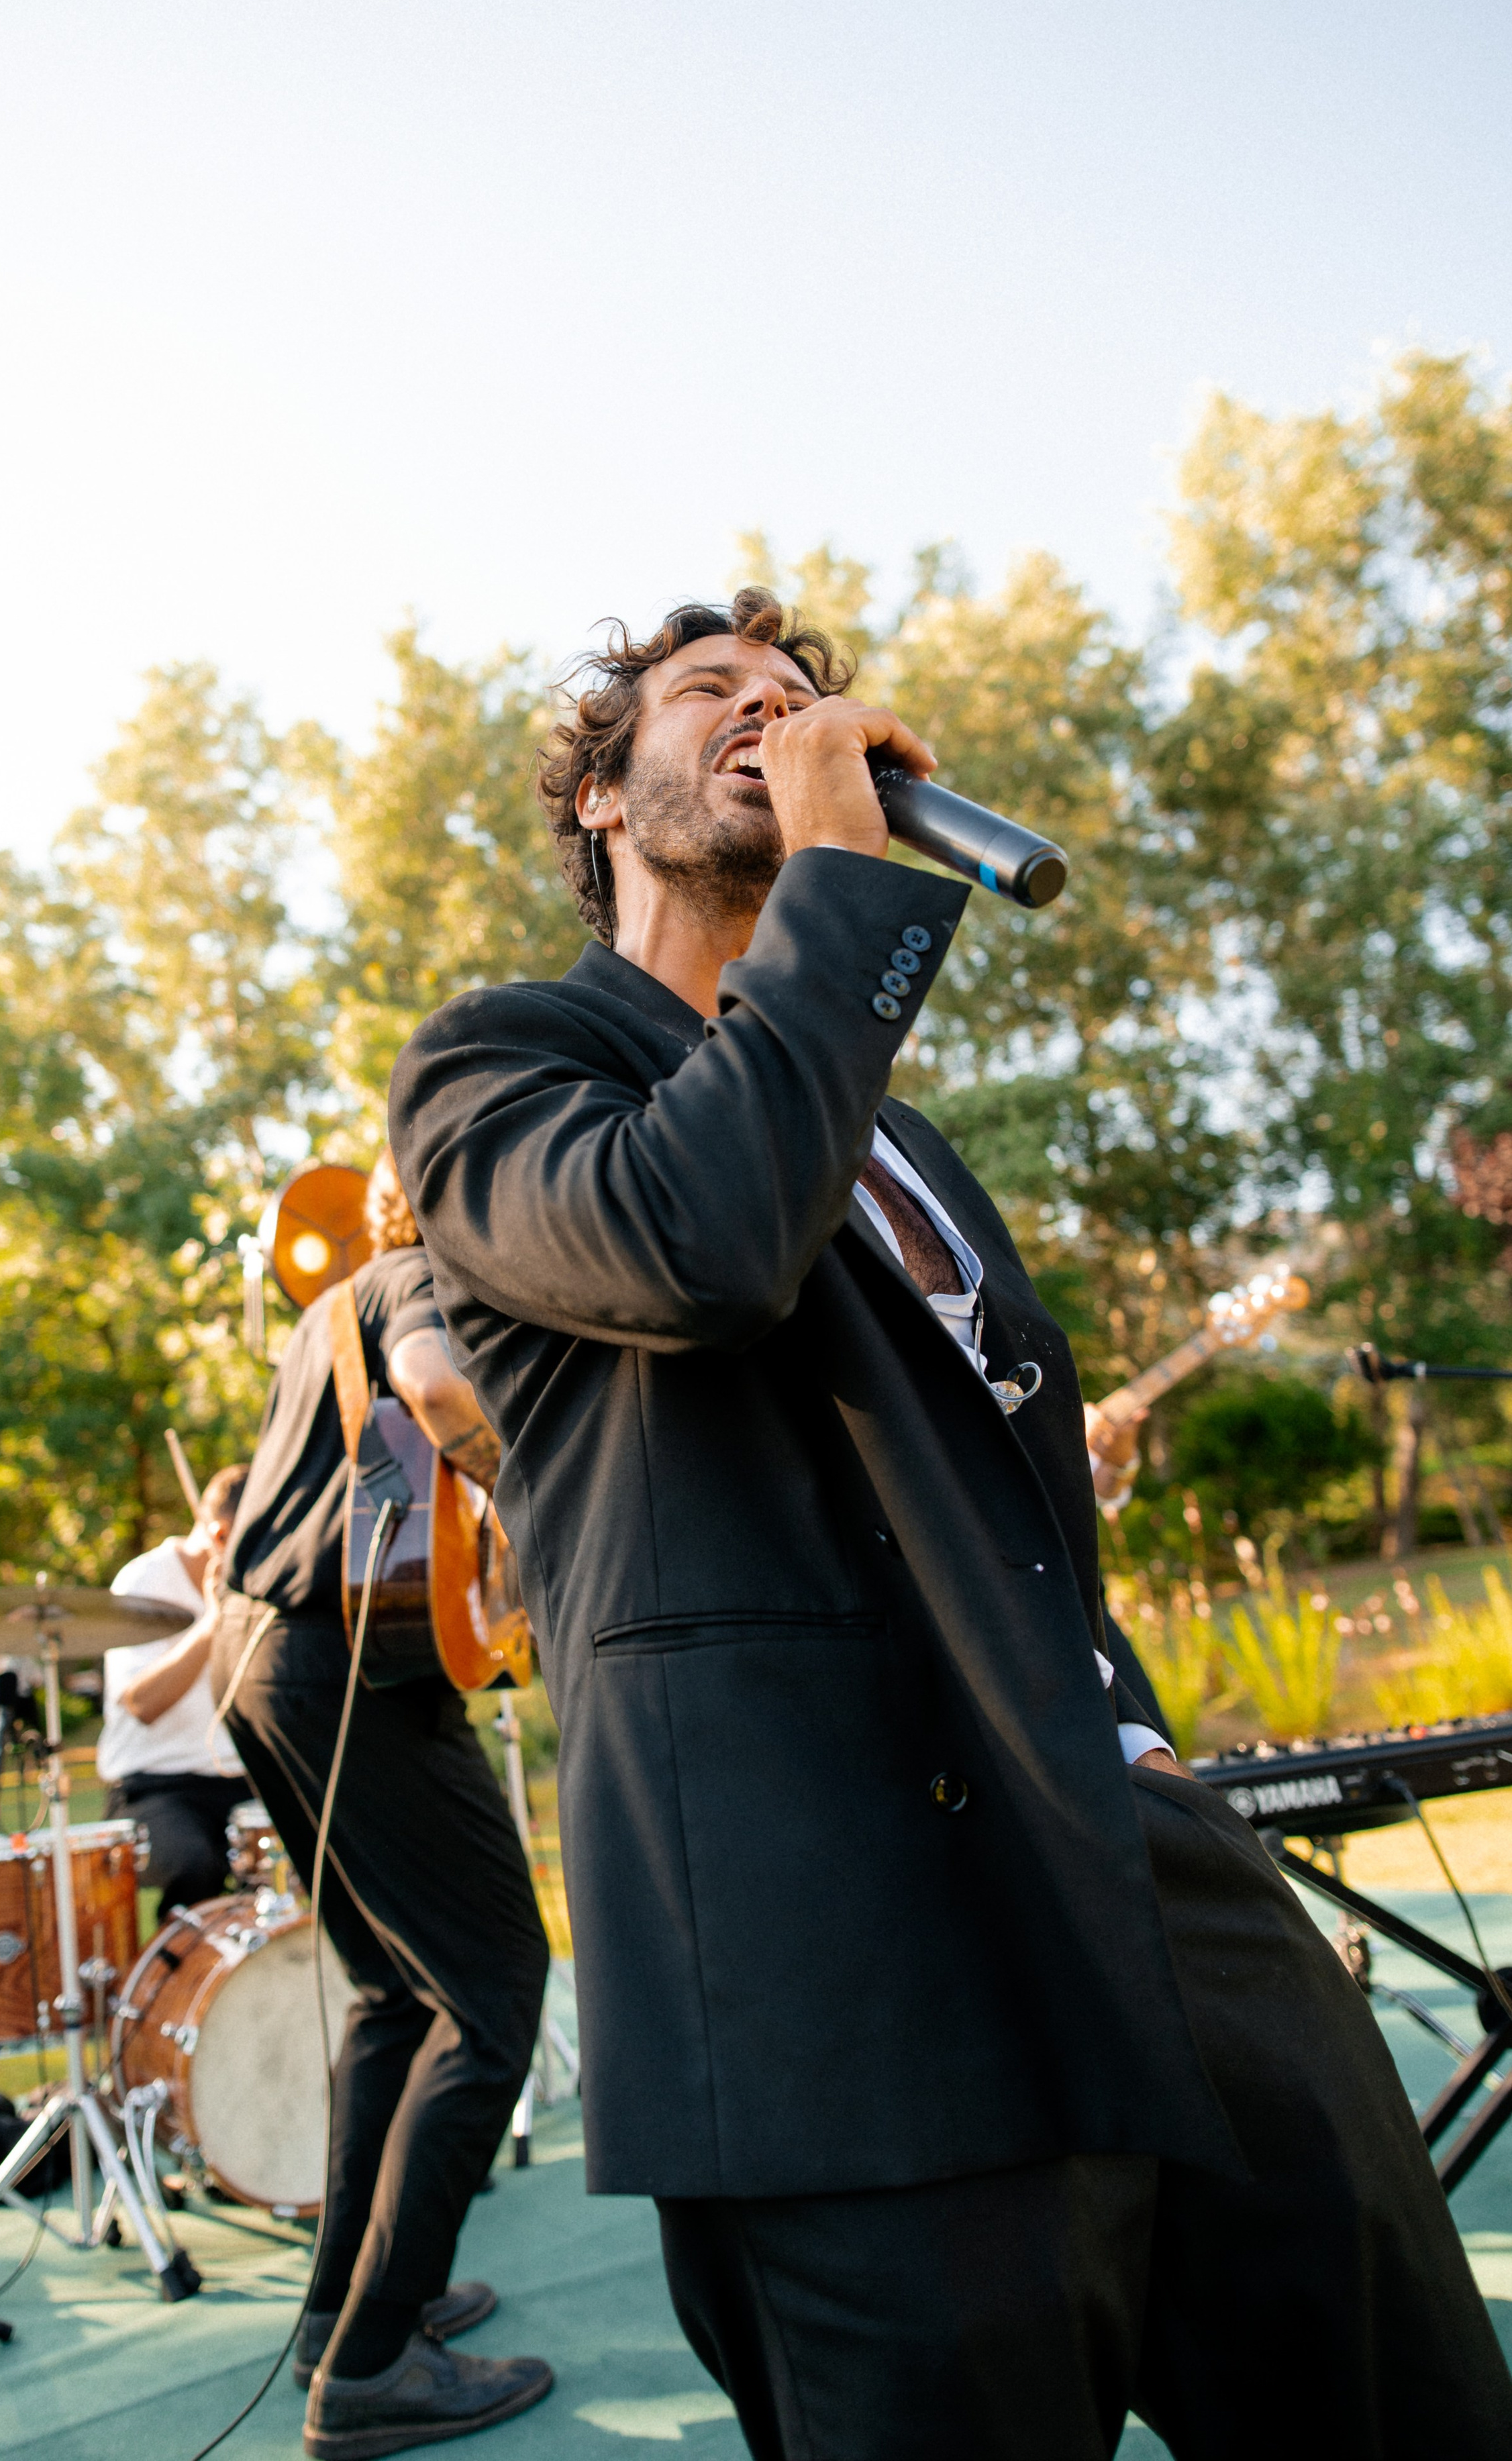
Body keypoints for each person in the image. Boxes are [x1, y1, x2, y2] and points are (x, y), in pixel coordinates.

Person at [389, 587, 1512, 2461]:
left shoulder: (901, 1140)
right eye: (711, 697)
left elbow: (1006, 1514)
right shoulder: (503, 1067)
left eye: (799, 694)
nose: (773, 711)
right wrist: (842, 887)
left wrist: (1157, 1776)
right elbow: (702, 1243)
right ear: (601, 800)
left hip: (1137, 1876)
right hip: (838, 1961)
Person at [217, 1148, 552, 2461]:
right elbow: (433, 1386)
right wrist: (541, 1503)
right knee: (495, 1995)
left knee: (394, 1997)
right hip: (347, 1669)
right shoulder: (421, 1279)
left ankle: (343, 2315)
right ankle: (371, 2366)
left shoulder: (335, 1296)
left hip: (268, 1660)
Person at [98, 1463, 252, 1919]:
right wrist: (213, 1621)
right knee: (194, 1864)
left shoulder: (261, 1584)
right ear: (221, 1536)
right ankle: (178, 1977)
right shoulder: (142, 1583)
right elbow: (143, 1703)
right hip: (155, 1787)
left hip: (245, 1779)